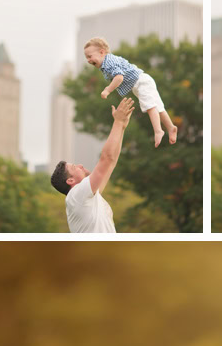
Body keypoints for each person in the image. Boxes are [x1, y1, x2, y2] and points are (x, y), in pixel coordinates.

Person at [50, 94, 134, 237]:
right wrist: (117, 123)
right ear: (70, 181)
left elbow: (111, 162)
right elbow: (106, 159)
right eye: (75, 167)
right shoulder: (76, 195)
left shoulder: (88, 196)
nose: (80, 166)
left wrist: (122, 127)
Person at [83, 37, 178, 148]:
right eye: (86, 58)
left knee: (150, 106)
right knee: (158, 107)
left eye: (90, 56)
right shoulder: (105, 64)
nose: (88, 60)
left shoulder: (109, 62)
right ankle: (171, 127)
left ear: (101, 52)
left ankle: (158, 130)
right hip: (140, 83)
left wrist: (107, 90)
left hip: (141, 82)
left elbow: (119, 78)